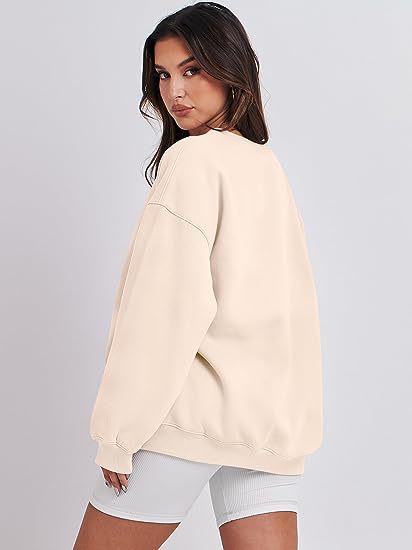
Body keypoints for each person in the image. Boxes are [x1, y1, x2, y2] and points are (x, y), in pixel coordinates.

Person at [74, 2, 323, 549]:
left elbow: (162, 309)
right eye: (163, 75)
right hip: (266, 428)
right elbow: (291, 309)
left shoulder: (193, 161)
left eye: (191, 70)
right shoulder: (265, 165)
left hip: (187, 422)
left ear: (231, 67)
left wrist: (118, 433)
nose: (175, 91)